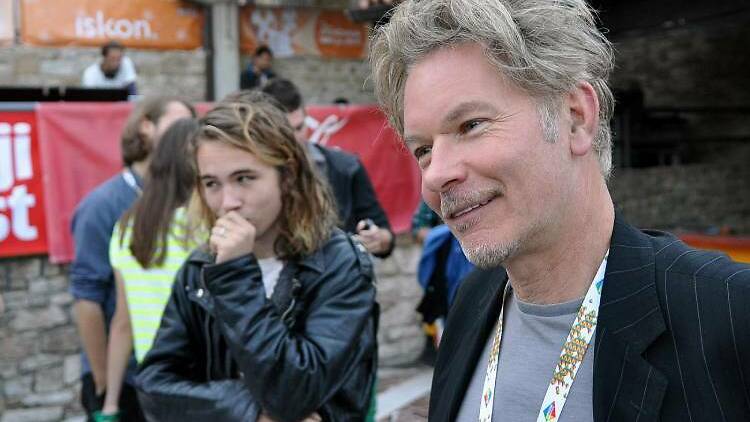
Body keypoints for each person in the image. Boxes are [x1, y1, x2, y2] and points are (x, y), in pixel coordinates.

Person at [370, 0, 750, 421]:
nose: (437, 174)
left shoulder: (729, 314)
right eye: (423, 149)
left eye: (471, 125)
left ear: (575, 118)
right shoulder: (471, 302)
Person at [136, 93, 378, 421]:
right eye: (212, 183)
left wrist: (235, 274)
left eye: (244, 178)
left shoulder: (338, 262)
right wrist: (249, 411)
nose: (227, 202)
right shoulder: (200, 267)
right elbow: (154, 387)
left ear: (287, 177)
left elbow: (293, 391)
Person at [69, 96, 194, 422]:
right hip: (121, 374)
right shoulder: (105, 207)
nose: (187, 131)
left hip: (179, 377)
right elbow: (88, 300)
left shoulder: (199, 213)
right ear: (146, 127)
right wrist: (103, 388)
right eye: (177, 121)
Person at [260, 78, 395, 258]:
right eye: (284, 132)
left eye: (299, 128)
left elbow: (384, 235)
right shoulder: (250, 175)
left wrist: (377, 239)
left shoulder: (345, 167)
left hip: (338, 278)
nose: (293, 139)